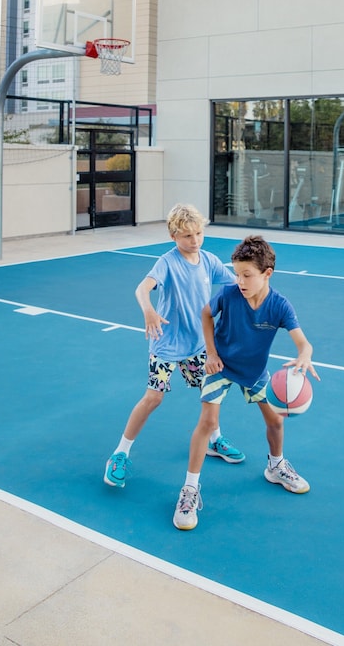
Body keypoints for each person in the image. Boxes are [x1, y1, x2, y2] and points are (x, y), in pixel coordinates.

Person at [173, 234, 320, 531]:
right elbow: (205, 313)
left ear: (267, 274)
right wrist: (211, 353)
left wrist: (304, 356)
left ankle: (276, 466)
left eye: (247, 275)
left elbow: (304, 344)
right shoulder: (228, 295)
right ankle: (189, 489)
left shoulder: (279, 306)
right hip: (222, 366)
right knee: (207, 421)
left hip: (254, 372)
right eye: (237, 273)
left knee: (276, 422)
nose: (240, 280)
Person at [104, 203, 244, 489]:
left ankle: (214, 441)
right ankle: (119, 454)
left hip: (198, 346)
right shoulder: (167, 263)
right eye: (187, 236)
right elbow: (142, 289)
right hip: (166, 346)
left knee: (211, 394)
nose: (194, 241)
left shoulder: (208, 260)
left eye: (198, 234)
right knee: (153, 398)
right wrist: (148, 311)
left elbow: (234, 286)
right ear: (173, 236)